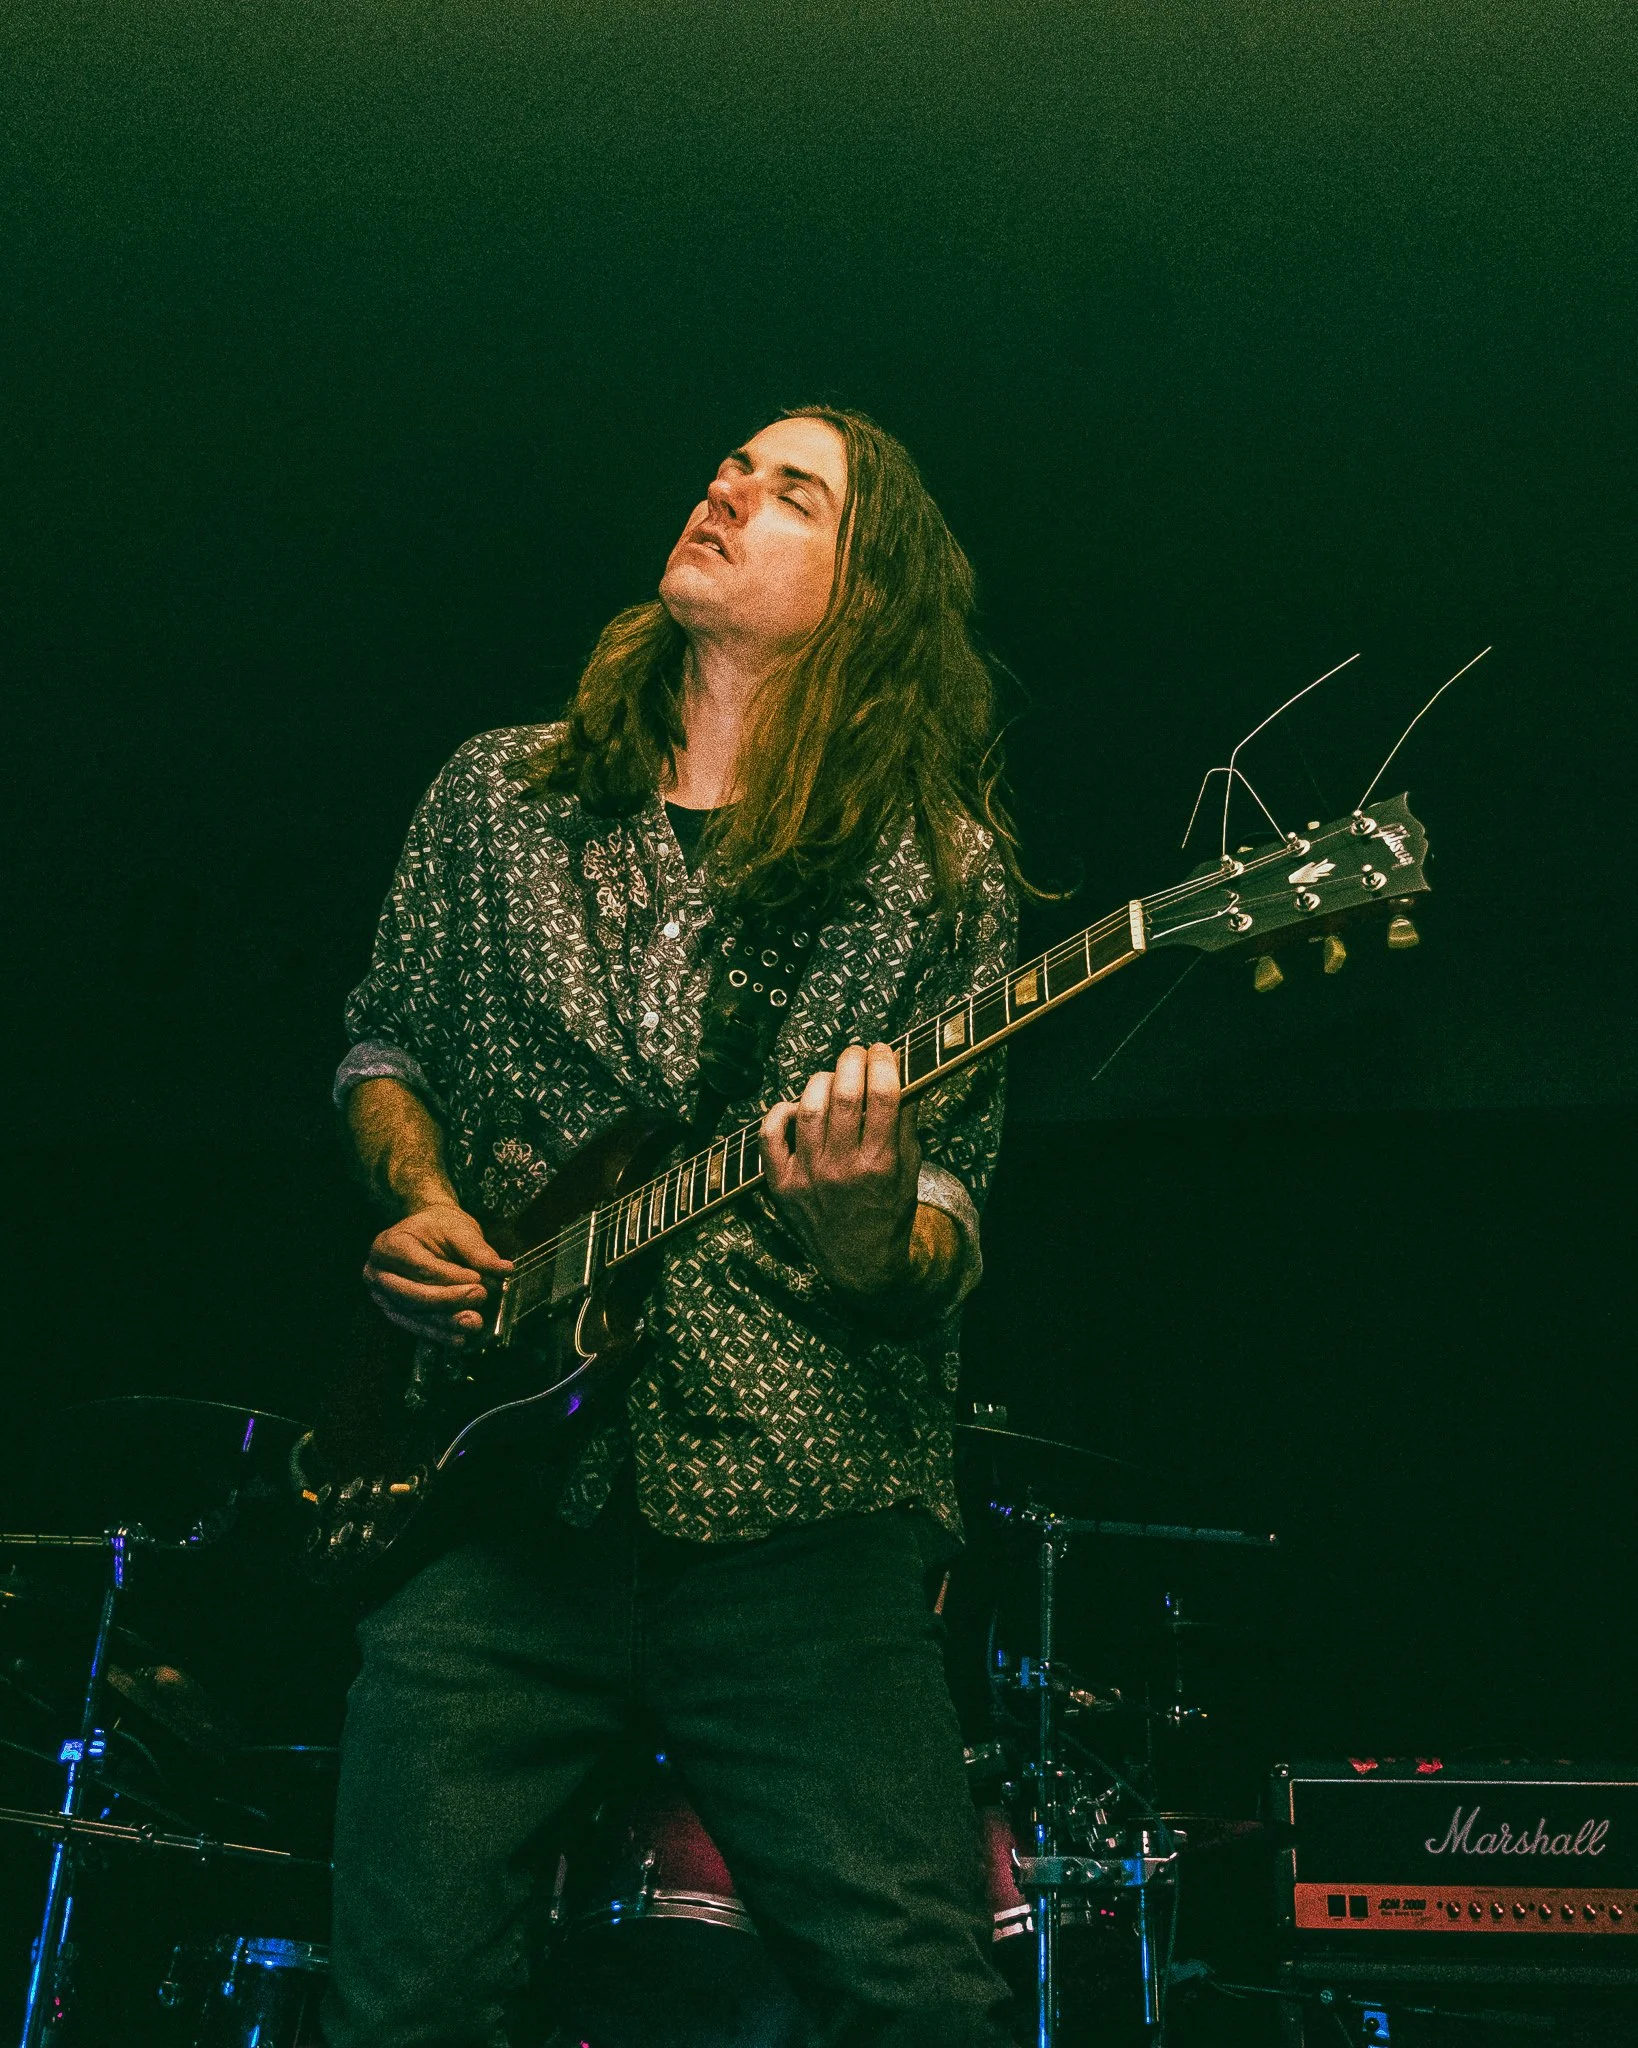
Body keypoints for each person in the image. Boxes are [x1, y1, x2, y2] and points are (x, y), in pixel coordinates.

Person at [326, 405, 1025, 2047]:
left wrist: (859, 1232)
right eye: (730, 467)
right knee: (406, 1997)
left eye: (792, 494)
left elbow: (940, 1229)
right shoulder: (500, 795)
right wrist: (422, 1202)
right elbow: (383, 1043)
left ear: (864, 598)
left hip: (796, 1506)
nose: (729, 491)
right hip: (497, 1502)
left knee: (912, 1995)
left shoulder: (938, 874)